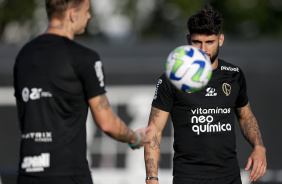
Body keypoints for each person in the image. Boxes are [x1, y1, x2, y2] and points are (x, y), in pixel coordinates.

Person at [13, 0, 151, 183]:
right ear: (72, 14)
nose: (89, 16)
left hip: (29, 173)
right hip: (68, 173)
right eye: (86, 11)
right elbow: (107, 123)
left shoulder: (24, 55)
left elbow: (25, 121)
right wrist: (136, 138)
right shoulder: (84, 58)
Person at [144, 5, 267, 184]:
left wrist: (259, 147)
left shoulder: (234, 75)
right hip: (188, 177)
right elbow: (154, 130)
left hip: (229, 177)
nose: (203, 49)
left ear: (220, 40)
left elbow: (245, 116)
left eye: (209, 42)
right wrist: (151, 178)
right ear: (188, 40)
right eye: (197, 42)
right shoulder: (172, 78)